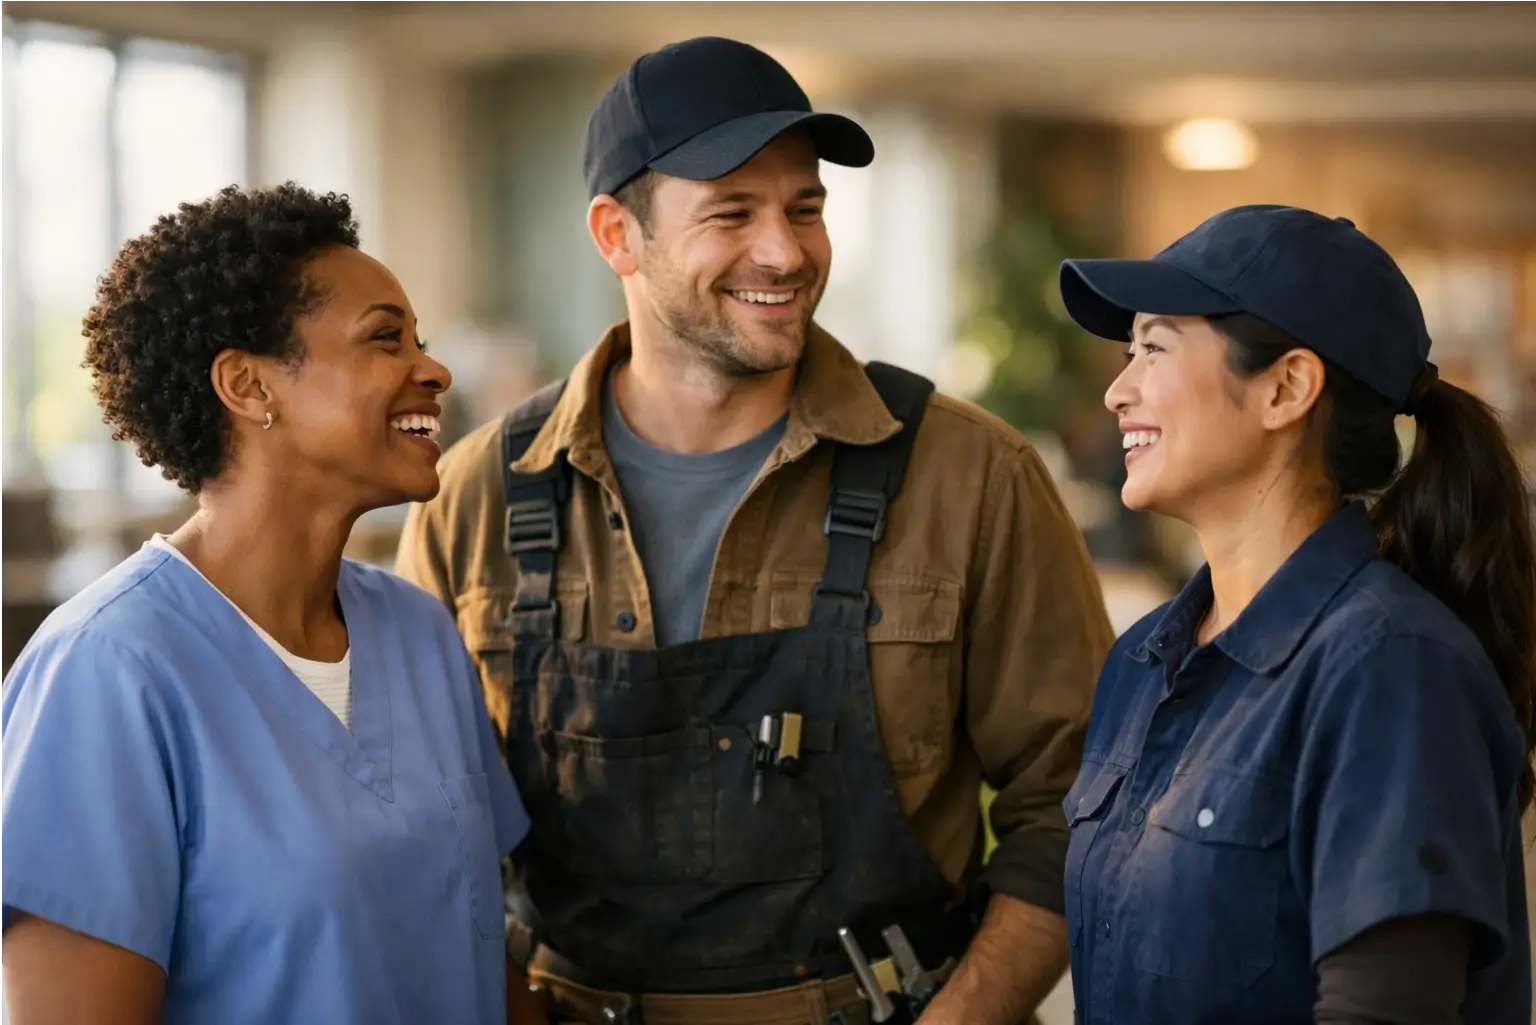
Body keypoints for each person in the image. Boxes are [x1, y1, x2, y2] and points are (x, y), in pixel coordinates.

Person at [395, 34, 1114, 1025]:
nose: (785, 251)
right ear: (617, 235)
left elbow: (1083, 805)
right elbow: (426, 835)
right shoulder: (479, 495)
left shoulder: (972, 476)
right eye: (731, 212)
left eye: (805, 208)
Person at [0, 183, 530, 1025]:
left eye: (418, 340)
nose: (433, 369)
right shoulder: (107, 672)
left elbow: (482, 951)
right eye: (385, 338)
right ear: (248, 385)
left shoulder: (420, 632)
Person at [1056, 204, 1536, 1024]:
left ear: (1287, 387)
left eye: (1155, 348)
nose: (1117, 389)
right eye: (1126, 351)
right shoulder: (1142, 660)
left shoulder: (1392, 668)